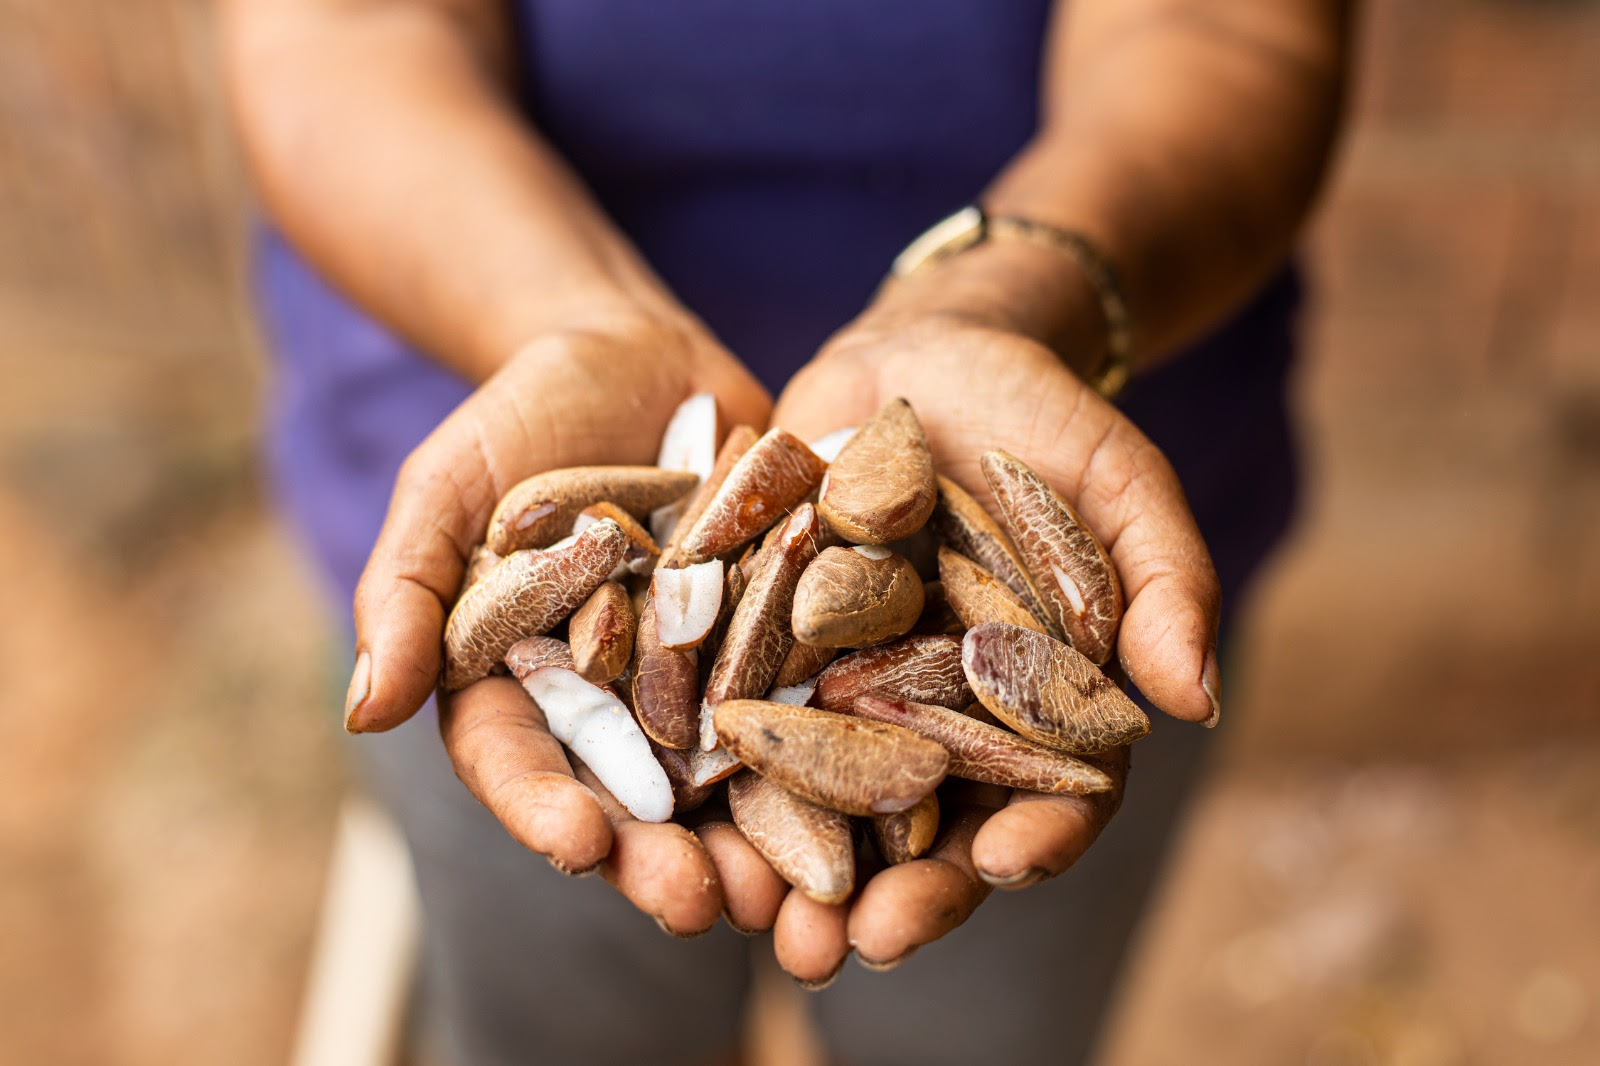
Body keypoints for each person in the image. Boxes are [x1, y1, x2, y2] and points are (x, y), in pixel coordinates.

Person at [222, 2, 1350, 1063]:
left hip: (1080, 408)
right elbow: (343, 26)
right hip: (489, 382)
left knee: (975, 1024)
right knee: (561, 1020)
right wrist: (563, 319)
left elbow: (1226, 27)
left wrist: (1003, 298)